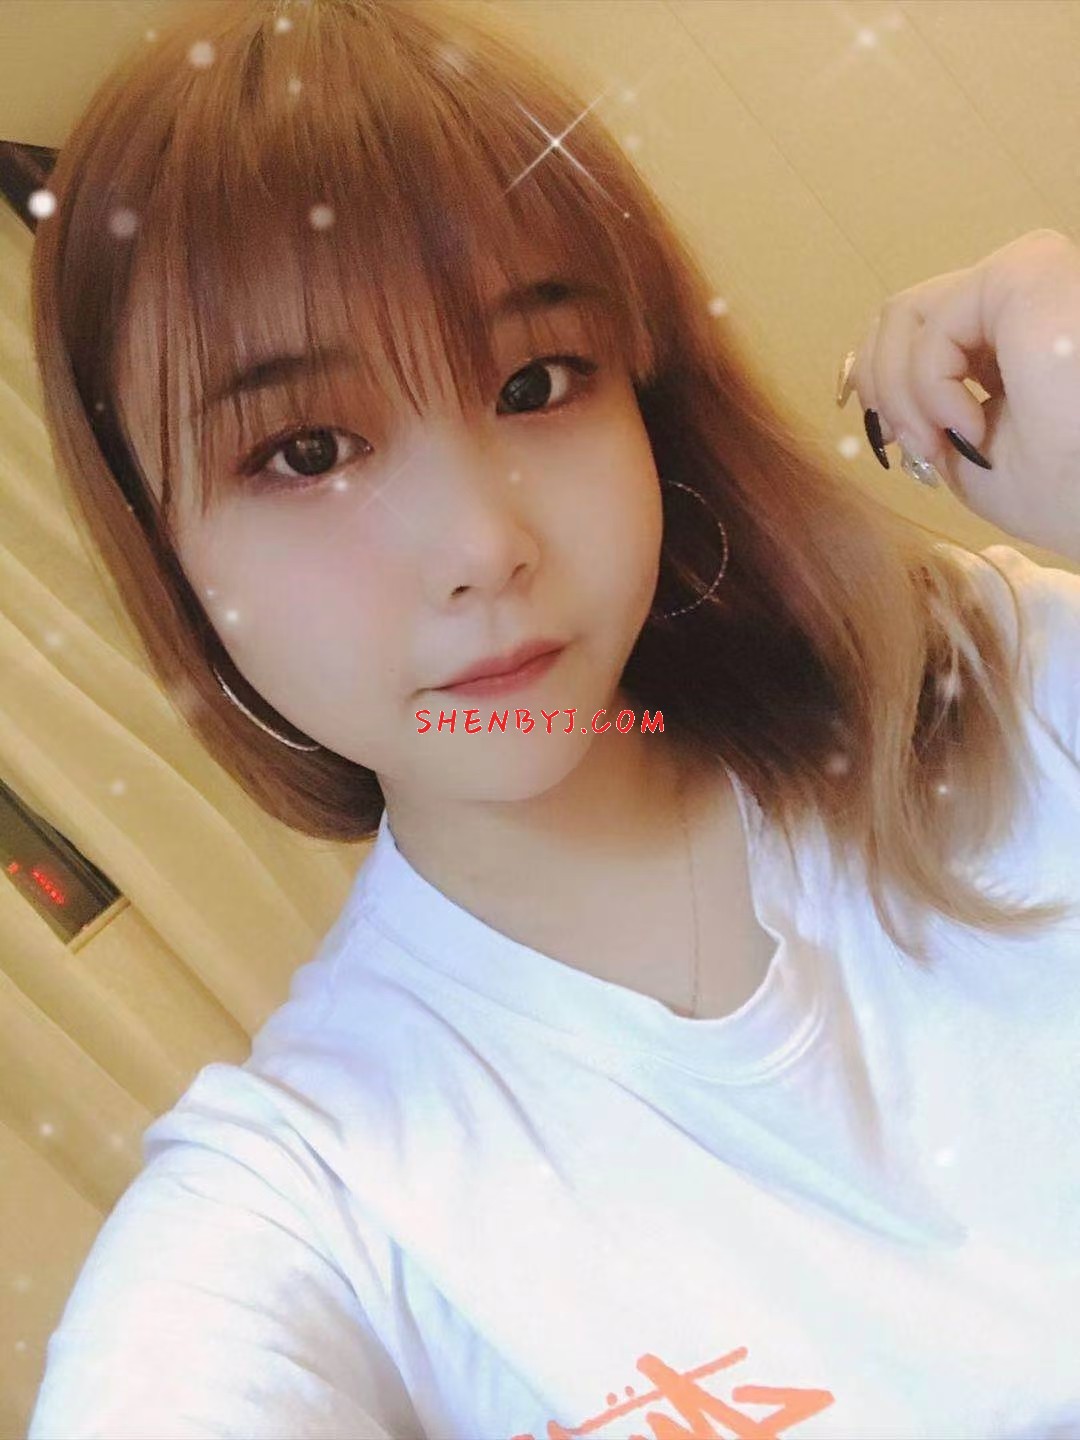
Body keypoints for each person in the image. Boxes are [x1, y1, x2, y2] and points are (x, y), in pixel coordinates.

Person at [24, 1, 1080, 1436]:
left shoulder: (1002, 686)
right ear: (168, 553)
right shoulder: (313, 1200)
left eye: (535, 383)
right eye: (305, 450)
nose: (480, 544)